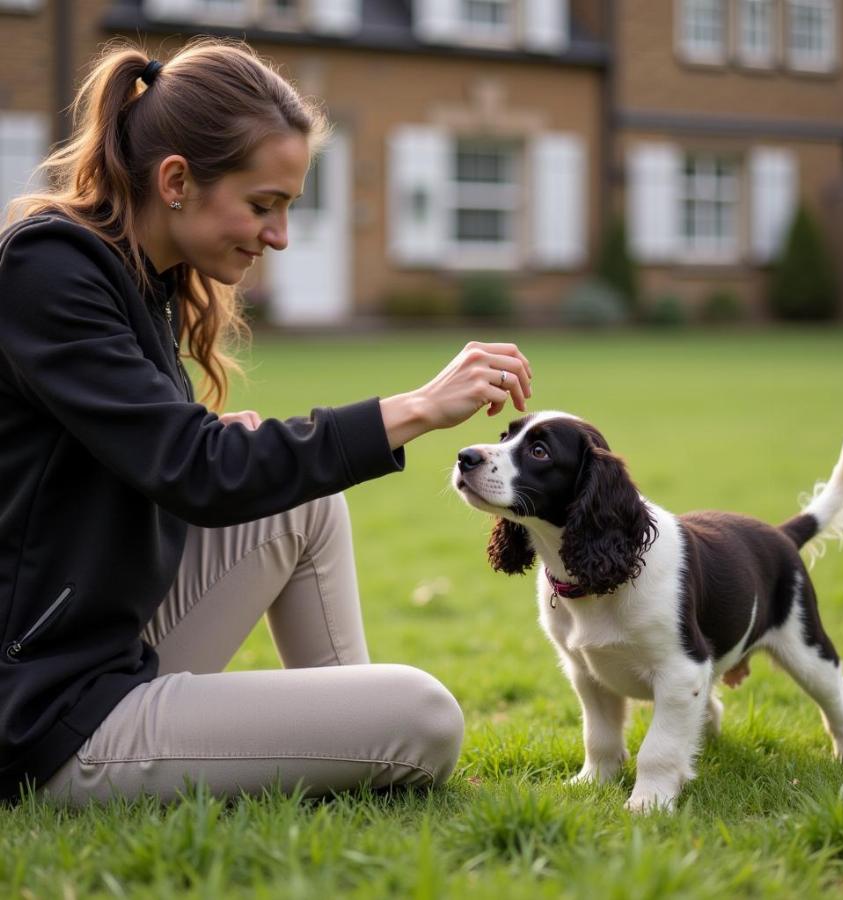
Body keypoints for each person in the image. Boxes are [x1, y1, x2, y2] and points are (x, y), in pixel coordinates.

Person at [0, 38, 532, 806]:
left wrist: (206, 438)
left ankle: (354, 736)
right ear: (176, 180)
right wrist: (414, 409)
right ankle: (376, 739)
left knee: (306, 504)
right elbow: (195, 470)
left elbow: (146, 460)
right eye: (263, 205)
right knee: (424, 716)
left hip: (108, 652)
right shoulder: (48, 272)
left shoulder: (137, 279)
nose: (278, 236)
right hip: (46, 713)